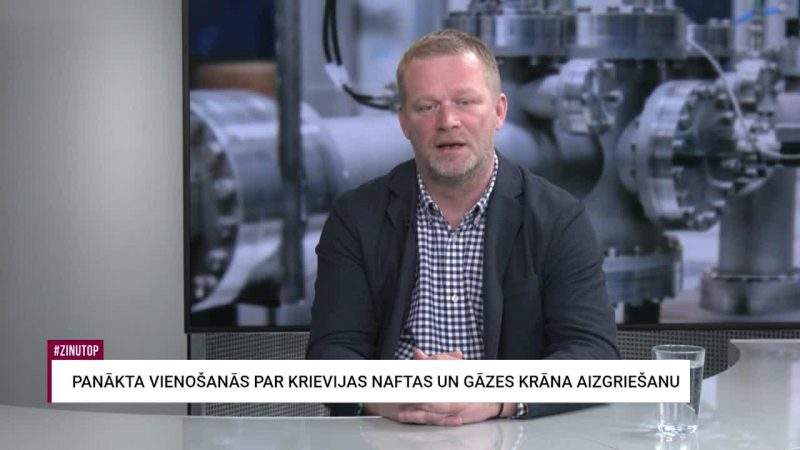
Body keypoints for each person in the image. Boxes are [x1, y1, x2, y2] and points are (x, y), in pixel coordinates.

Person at [307, 29, 619, 426]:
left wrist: (495, 396)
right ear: (403, 121)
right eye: (426, 107)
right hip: (387, 433)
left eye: (466, 102)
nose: (448, 121)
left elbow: (595, 358)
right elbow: (331, 355)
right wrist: (390, 396)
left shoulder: (560, 218)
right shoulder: (355, 217)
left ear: (499, 112)